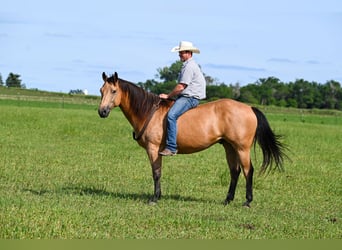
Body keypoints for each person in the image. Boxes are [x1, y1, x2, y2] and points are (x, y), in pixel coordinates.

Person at [159, 41, 206, 156]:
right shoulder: (188, 65)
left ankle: (171, 147)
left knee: (171, 115)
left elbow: (181, 87)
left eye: (182, 52)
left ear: (189, 53)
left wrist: (168, 96)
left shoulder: (189, 66)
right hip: (186, 96)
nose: (179, 54)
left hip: (189, 98)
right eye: (179, 52)